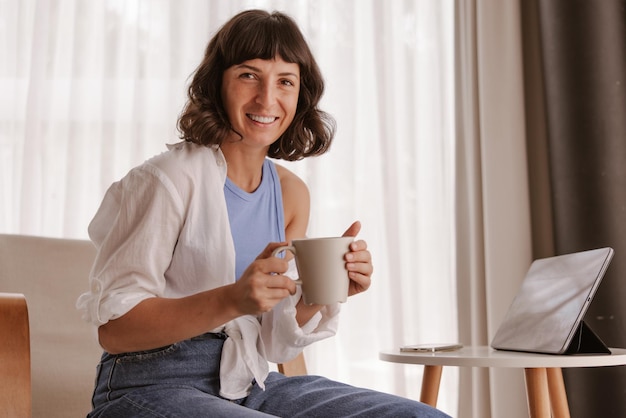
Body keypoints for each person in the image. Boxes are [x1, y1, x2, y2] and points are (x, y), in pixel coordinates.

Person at [76, 9, 450, 418]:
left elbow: (273, 339)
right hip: (146, 384)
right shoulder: (166, 180)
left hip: (247, 380)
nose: (267, 99)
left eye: (285, 82)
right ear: (217, 83)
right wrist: (232, 299)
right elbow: (116, 329)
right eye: (248, 75)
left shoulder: (290, 194)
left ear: (300, 95)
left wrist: (322, 291)